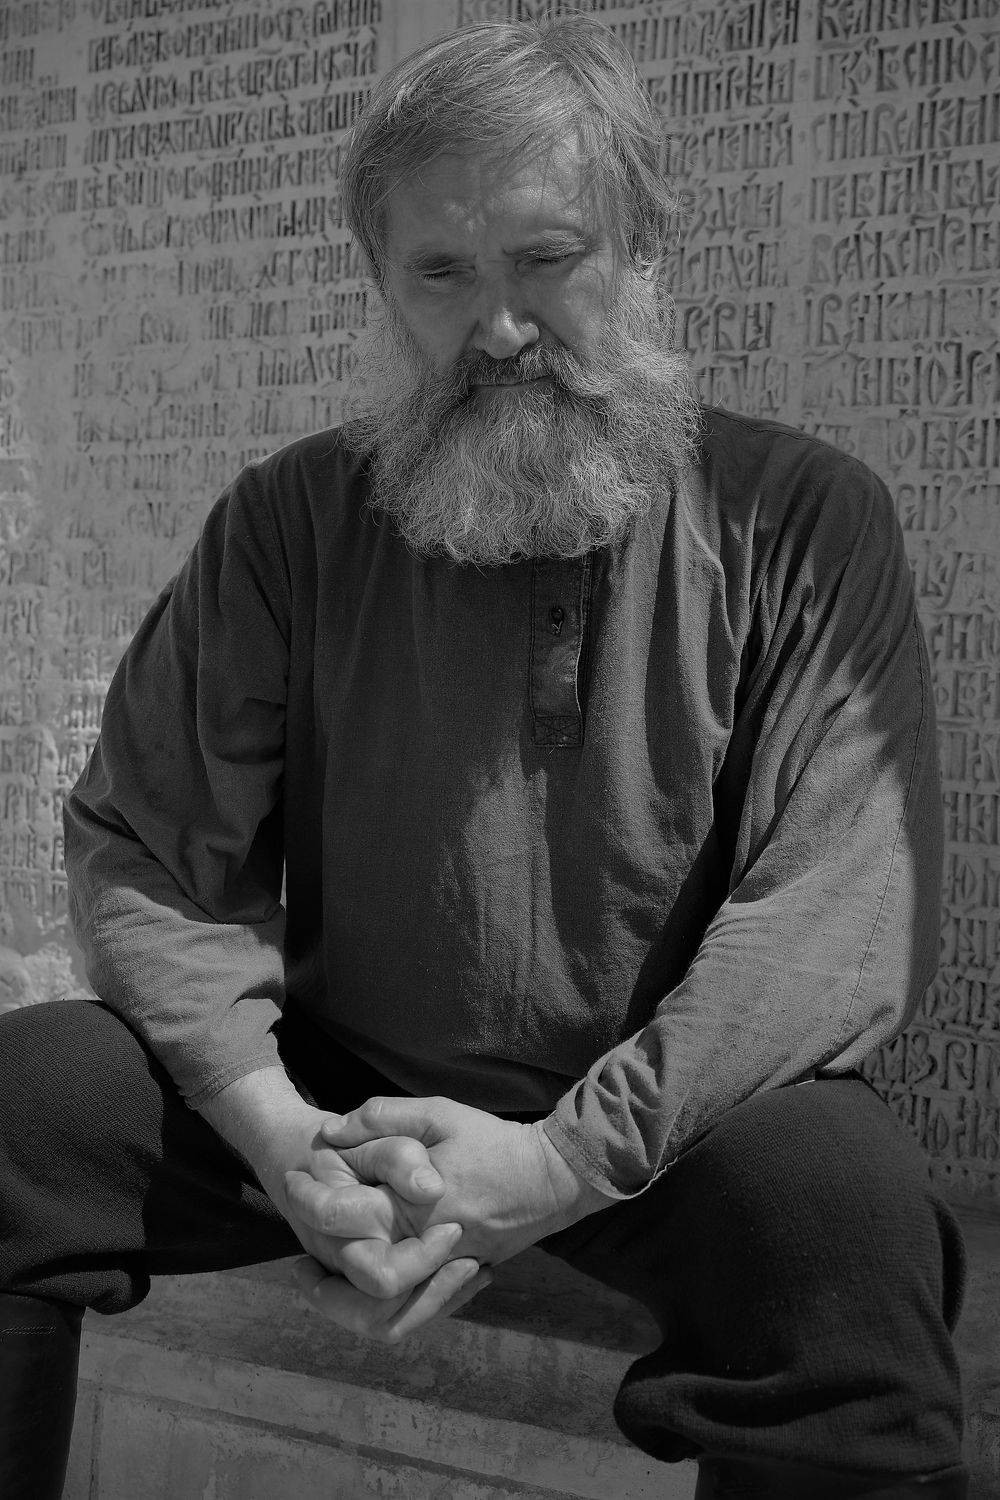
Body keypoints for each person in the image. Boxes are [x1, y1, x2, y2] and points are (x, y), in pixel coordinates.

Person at [0, 17, 969, 1499]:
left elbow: (836, 908)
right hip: (344, 1101)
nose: (499, 327)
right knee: (26, 1105)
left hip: (675, 1113)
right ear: (381, 282)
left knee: (843, 1221)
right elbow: (143, 841)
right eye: (441, 273)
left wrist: (559, 1164)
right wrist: (282, 1136)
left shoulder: (803, 520)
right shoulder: (291, 522)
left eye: (545, 259)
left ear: (640, 250)